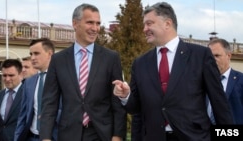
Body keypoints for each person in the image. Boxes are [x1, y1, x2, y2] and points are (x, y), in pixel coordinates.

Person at [112, 2, 233, 141]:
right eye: (144, 25)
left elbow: (219, 104)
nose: (145, 29)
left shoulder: (200, 55)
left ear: (167, 24)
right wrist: (125, 96)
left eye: (149, 23)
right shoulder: (140, 63)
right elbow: (136, 110)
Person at [40, 3, 127, 141]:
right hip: (69, 134)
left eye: (98, 23)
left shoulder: (111, 58)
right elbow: (50, 102)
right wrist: (45, 137)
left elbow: (117, 101)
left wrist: (117, 136)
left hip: (101, 134)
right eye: (90, 23)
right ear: (75, 23)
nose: (95, 28)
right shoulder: (58, 60)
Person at [14, 38, 57, 141]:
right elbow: (23, 115)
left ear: (49, 54)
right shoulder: (29, 82)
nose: (32, 58)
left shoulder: (62, 78)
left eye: (36, 53)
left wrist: (48, 116)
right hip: (32, 137)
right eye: (31, 54)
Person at [208, 38, 243, 124]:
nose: (213, 60)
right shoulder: (201, 81)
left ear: (229, 56)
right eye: (210, 56)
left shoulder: (241, 80)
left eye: (217, 56)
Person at [0, 59, 23, 141]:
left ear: (20, 74)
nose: (7, 79)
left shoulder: (28, 95)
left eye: (11, 75)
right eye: (4, 75)